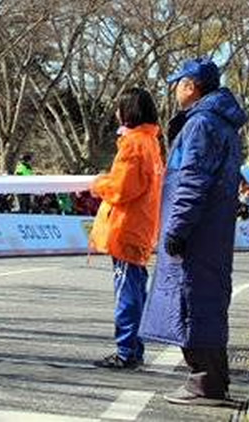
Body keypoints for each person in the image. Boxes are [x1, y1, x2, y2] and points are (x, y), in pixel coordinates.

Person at [141, 57, 246, 406]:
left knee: (191, 301)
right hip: (213, 229)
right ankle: (213, 377)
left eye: (178, 84)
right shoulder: (223, 124)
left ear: (190, 86)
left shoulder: (201, 124)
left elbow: (192, 181)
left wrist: (178, 228)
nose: (175, 91)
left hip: (197, 232)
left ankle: (204, 382)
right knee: (209, 299)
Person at [90, 87, 165, 370]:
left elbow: (122, 188)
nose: (116, 113)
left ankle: (126, 350)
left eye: (119, 107)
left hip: (126, 227)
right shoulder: (151, 142)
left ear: (128, 111)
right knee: (136, 291)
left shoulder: (134, 144)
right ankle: (134, 348)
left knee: (127, 294)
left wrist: (99, 184)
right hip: (141, 226)